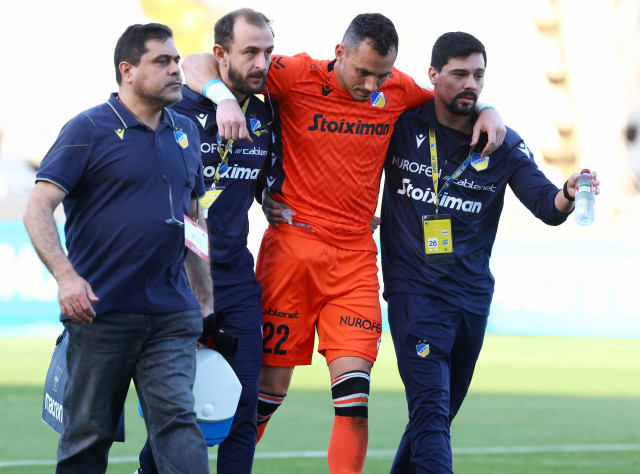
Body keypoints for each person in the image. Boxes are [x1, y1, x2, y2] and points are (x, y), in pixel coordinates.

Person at [182, 14, 505, 473]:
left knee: (354, 398)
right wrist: (222, 98)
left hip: (354, 260)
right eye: (363, 72)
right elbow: (198, 62)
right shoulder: (294, 74)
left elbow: (451, 98)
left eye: (381, 75)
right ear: (340, 53)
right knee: (266, 394)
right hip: (292, 252)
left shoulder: (397, 89)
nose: (371, 85)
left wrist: (489, 110)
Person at [379, 32, 601, 473]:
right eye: (459, 74)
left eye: (478, 76)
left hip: (471, 302)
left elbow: (547, 207)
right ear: (433, 75)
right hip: (415, 295)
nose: (471, 84)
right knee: (430, 415)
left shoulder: (503, 143)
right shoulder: (401, 125)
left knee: (435, 417)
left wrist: (568, 191)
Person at [22, 23, 212, 473]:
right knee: (89, 434)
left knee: (179, 424)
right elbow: (37, 208)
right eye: (162, 62)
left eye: (176, 61)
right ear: (127, 70)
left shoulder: (186, 130)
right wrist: (67, 278)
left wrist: (205, 300)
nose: (176, 70)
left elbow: (194, 221)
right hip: (100, 311)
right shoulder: (87, 128)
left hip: (172, 313)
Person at [136, 9, 274, 474]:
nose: (262, 63)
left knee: (244, 406)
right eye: (250, 52)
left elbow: (262, 183)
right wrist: (221, 98)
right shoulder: (177, 109)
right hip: (177, 281)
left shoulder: (266, 114)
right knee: (178, 411)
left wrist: (274, 199)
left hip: (236, 279)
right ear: (221, 54)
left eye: (268, 52)